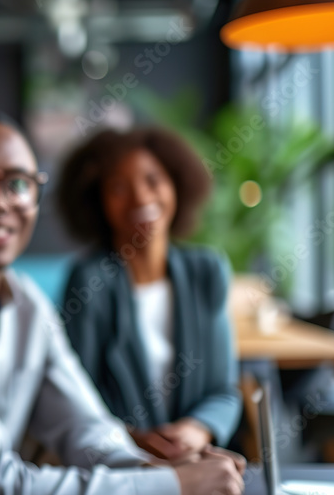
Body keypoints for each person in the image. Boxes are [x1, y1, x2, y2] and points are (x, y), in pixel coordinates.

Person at [0, 112, 245, 495]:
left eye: (18, 184)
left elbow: (86, 429)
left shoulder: (28, 303)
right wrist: (171, 484)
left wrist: (162, 471)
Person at [57, 127, 242, 463]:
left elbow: (224, 392)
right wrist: (138, 442)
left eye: (153, 180)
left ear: (177, 185)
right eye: (118, 187)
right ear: (97, 201)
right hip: (120, 468)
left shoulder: (207, 270)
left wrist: (197, 429)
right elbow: (75, 401)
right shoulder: (89, 281)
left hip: (199, 462)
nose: (140, 198)